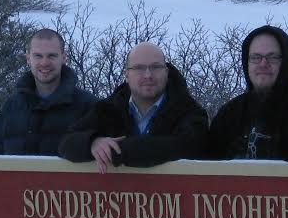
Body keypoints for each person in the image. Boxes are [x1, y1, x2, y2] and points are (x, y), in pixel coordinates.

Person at [58, 42, 208, 170]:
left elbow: (186, 147)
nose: (148, 75)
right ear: (126, 74)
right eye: (139, 68)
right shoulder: (108, 109)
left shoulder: (190, 111)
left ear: (166, 72)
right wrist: (92, 142)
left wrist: (118, 151)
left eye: (155, 67)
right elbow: (66, 142)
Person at [206, 25, 288, 161]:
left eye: (272, 57)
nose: (263, 64)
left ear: (286, 62)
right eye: (256, 57)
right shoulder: (229, 115)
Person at [0, 29, 95, 155]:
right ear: (28, 58)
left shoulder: (88, 107)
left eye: (52, 56)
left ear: (64, 58)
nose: (44, 63)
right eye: (38, 56)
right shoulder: (11, 107)